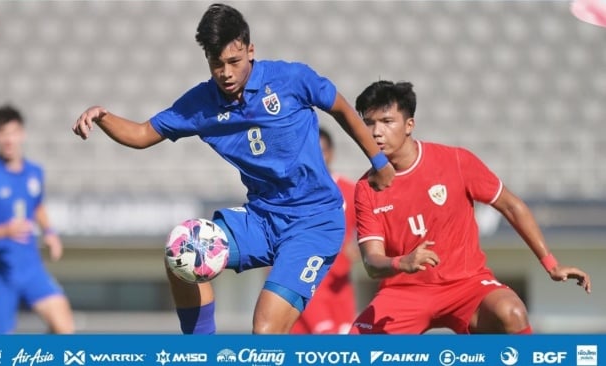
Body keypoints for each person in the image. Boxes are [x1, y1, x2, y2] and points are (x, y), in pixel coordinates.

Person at [72, 3, 394, 334]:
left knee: (265, 329)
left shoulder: (291, 79)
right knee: (181, 252)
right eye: (216, 64)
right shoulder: (201, 104)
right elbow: (141, 134)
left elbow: (340, 106)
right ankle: (201, 353)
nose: (225, 72)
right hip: (261, 220)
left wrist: (378, 161)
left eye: (234, 62)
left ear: (250, 51)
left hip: (313, 223)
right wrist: (103, 116)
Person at [349, 80, 591, 334]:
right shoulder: (366, 188)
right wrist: (402, 262)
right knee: (354, 351)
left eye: (387, 122)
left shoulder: (455, 161)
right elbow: (371, 261)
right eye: (369, 123)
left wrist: (551, 264)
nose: (376, 132)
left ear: (410, 125)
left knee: (511, 313)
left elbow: (511, 206)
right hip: (402, 292)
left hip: (466, 285)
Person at [0, 105, 74, 334]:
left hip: (30, 267)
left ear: (22, 133)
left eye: (12, 132)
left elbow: (37, 204)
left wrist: (49, 233)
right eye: (2, 133)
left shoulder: (34, 172)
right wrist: (3, 231)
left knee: (64, 327)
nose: (8, 139)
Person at [290, 128, 360, 334]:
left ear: (331, 153)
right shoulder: (295, 194)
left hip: (341, 287)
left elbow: (370, 228)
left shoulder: (350, 190)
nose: (318, 157)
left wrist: (359, 247)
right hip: (308, 284)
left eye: (322, 151)